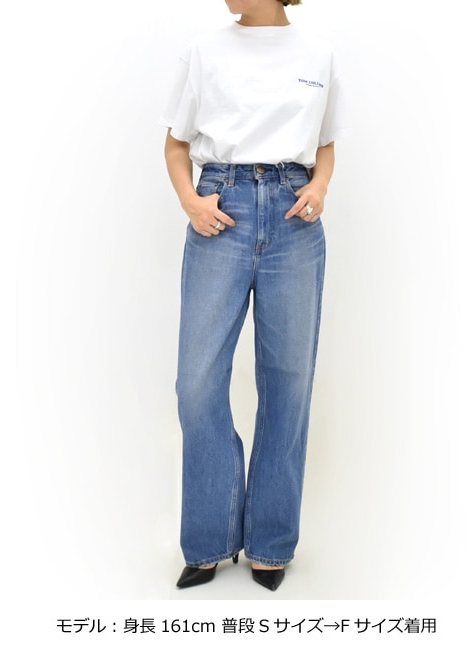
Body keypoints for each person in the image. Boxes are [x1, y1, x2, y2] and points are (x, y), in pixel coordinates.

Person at [161, 0, 350, 591]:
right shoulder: (204, 51)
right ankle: (209, 536)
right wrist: (191, 203)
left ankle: (271, 542)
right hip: (221, 210)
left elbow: (325, 143)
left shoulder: (318, 55)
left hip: (295, 217)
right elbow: (175, 144)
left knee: (289, 380)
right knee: (196, 382)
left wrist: (320, 185)